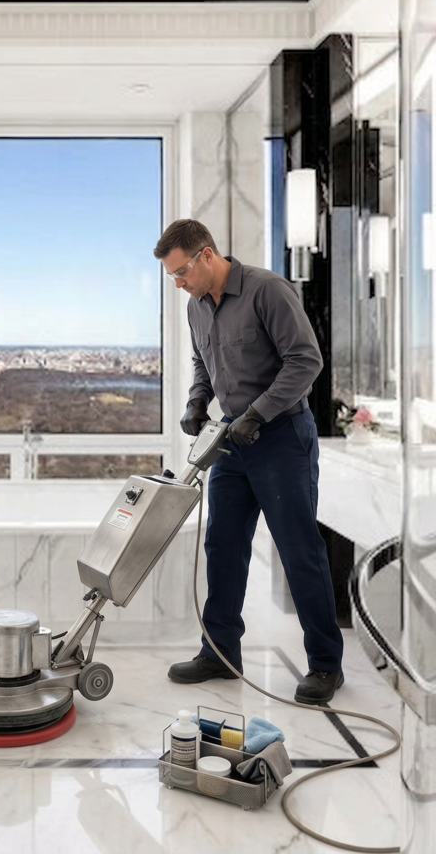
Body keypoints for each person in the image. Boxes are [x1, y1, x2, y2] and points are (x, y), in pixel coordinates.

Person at [154, 218, 344, 706]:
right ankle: (220, 653)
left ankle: (326, 664)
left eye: (181, 272)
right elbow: (203, 364)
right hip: (232, 440)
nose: (178, 283)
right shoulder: (196, 307)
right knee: (222, 545)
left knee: (298, 549)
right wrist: (197, 402)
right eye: (172, 276)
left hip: (282, 437)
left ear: (207, 255)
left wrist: (258, 413)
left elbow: (306, 361)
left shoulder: (267, 291)